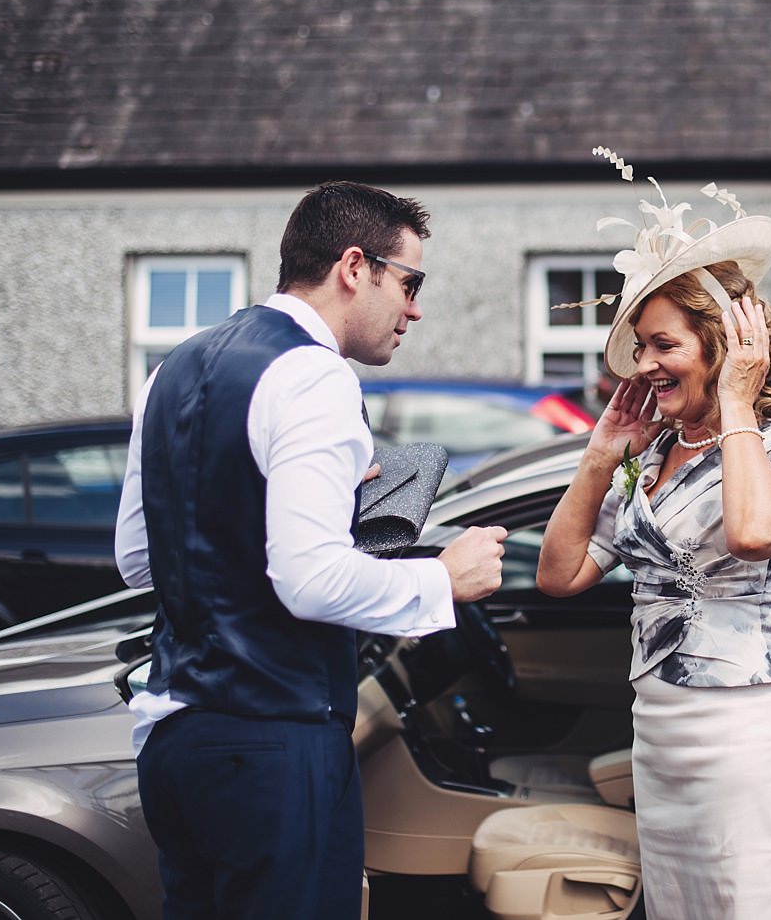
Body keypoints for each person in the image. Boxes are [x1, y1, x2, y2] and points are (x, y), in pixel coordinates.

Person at [114, 180, 506, 920]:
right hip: (273, 745)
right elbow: (309, 581)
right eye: (410, 282)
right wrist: (442, 581)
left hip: (171, 742)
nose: (415, 308)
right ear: (355, 267)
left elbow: (139, 556)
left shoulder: (173, 370)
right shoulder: (316, 376)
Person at [538, 150, 771, 920]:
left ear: (719, 346)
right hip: (659, 729)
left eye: (665, 345)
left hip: (741, 731)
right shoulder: (650, 456)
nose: (647, 365)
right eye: (642, 348)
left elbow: (755, 530)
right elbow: (559, 576)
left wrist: (736, 402)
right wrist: (600, 457)